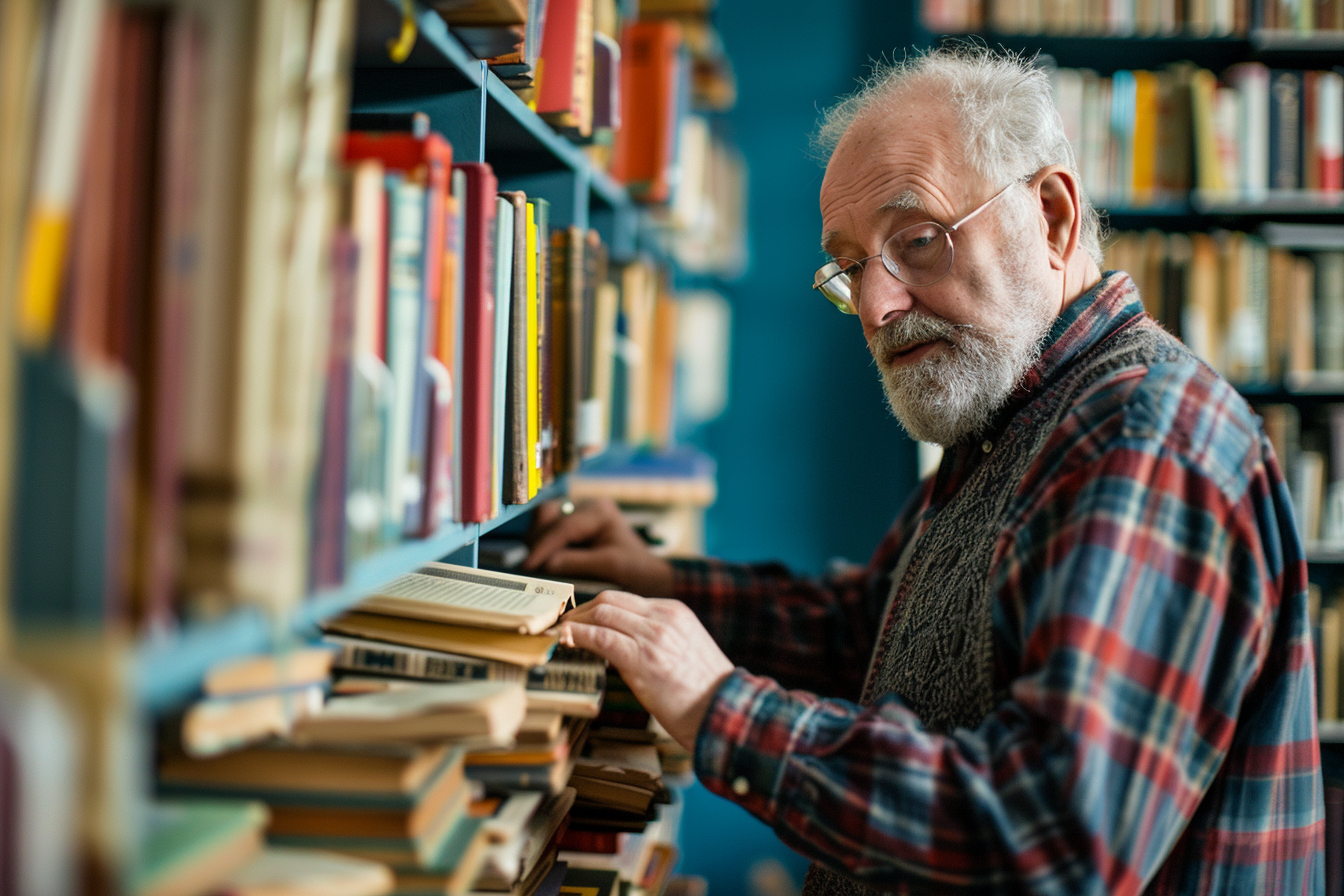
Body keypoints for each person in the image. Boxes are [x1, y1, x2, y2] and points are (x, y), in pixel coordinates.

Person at [524, 48, 1323, 895]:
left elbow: (1052, 837)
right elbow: (874, 635)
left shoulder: (1146, 437)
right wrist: (652, 581)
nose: (876, 306)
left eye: (917, 241)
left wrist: (719, 708)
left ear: (1050, 217)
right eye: (854, 265)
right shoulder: (1012, 414)